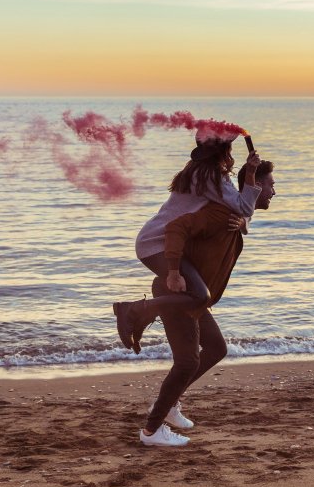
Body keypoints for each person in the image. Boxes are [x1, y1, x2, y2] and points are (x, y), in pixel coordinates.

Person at [135, 160, 276, 447]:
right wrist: (173, 272)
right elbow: (176, 228)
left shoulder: (233, 218)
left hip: (189, 294)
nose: (274, 192)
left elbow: (239, 215)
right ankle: (151, 429)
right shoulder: (221, 214)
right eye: (271, 185)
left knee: (216, 348)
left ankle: (168, 404)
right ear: (256, 187)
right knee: (187, 362)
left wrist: (244, 224)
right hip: (177, 291)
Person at [113, 135, 261, 355]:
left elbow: (235, 212)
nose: (230, 155)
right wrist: (250, 173)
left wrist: (242, 221)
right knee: (200, 295)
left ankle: (141, 316)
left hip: (156, 240)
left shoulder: (200, 170)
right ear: (223, 152)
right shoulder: (210, 175)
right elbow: (244, 207)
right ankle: (133, 309)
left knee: (199, 295)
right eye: (229, 150)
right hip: (158, 244)